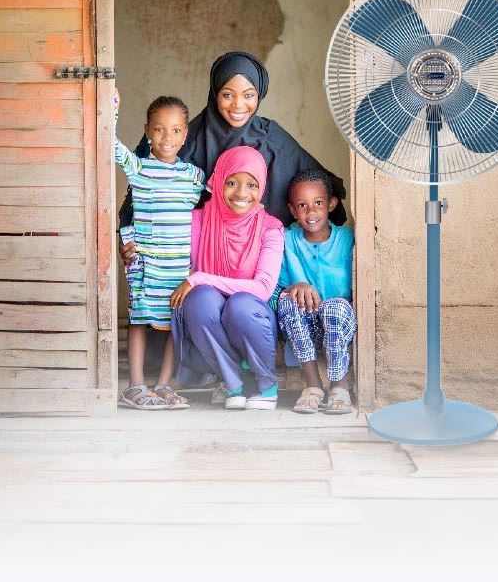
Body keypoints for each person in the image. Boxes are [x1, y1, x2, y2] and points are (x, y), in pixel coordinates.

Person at [119, 51, 347, 267]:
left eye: (248, 95)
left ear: (259, 95)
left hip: (260, 260)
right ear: (215, 93)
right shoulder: (190, 137)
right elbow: (147, 180)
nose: (238, 104)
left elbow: (315, 183)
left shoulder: (271, 136)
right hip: (202, 258)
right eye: (228, 94)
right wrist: (127, 234)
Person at [169, 146, 284, 410]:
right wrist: (128, 246)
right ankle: (232, 384)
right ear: (218, 181)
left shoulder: (270, 228)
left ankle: (267, 387)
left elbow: (263, 289)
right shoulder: (197, 221)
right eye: (232, 183)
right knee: (199, 299)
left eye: (252, 185)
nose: (242, 194)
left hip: (252, 321)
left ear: (262, 187)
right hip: (208, 320)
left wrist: (199, 277)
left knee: (240, 303)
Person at [114, 94, 204, 410]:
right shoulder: (138, 168)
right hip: (145, 263)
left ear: (185, 134)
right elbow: (112, 146)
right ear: (147, 131)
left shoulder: (194, 176)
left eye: (176, 130)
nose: (167, 137)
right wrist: (111, 111)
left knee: (174, 323)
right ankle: (135, 386)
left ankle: (164, 384)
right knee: (139, 320)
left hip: (179, 267)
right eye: (159, 129)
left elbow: (216, 207)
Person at [273, 169, 357, 414]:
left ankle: (339, 386)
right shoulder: (286, 240)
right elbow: (274, 288)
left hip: (339, 326)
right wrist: (295, 286)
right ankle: (313, 386)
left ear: (331, 204)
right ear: (293, 210)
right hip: (304, 328)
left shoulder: (347, 239)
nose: (311, 212)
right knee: (288, 300)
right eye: (302, 205)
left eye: (318, 203)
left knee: (334, 306)